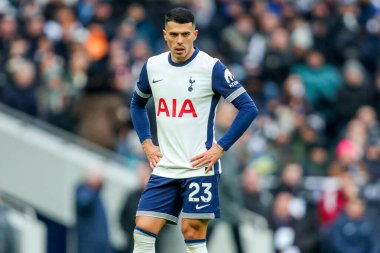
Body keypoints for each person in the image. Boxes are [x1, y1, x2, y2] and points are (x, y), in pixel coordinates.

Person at [130, 7, 258, 253]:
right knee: (143, 229)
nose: (180, 41)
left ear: (195, 34)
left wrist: (220, 148)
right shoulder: (153, 66)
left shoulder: (211, 68)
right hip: (165, 166)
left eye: (186, 34)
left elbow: (248, 108)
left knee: (192, 233)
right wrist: (146, 142)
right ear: (165, 34)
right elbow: (137, 103)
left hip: (200, 167)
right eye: (175, 34)